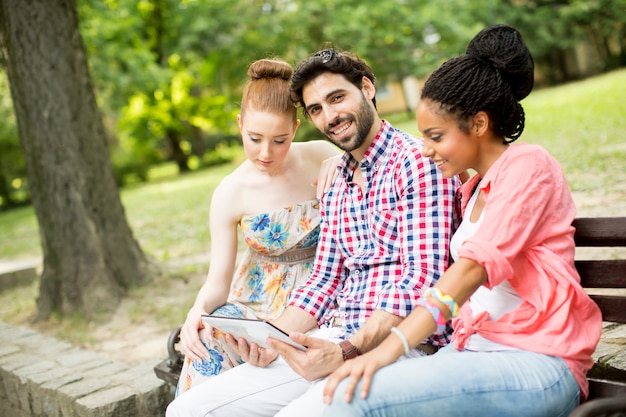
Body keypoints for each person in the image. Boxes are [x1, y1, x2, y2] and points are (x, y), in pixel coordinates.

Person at [322, 24, 603, 417]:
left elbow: (473, 268)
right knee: (333, 398)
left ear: (479, 124)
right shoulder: (470, 189)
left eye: (435, 136)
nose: (425, 150)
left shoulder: (529, 166)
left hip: (537, 360)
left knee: (352, 399)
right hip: (473, 353)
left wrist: (387, 350)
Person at [166, 49, 458, 416]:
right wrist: (276, 341)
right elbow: (324, 280)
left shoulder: (415, 162)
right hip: (333, 336)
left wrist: (346, 350)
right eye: (317, 109)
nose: (330, 116)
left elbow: (422, 283)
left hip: (402, 344)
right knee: (188, 410)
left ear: (366, 88)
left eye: (337, 98)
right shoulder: (336, 179)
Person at [174, 58, 341, 396]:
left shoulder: (322, 154)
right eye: (254, 138)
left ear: (295, 129)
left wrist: (343, 162)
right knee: (209, 337)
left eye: (280, 140)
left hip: (325, 289)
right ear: (240, 125)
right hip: (258, 302)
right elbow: (218, 281)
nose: (266, 152)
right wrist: (198, 310)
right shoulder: (230, 192)